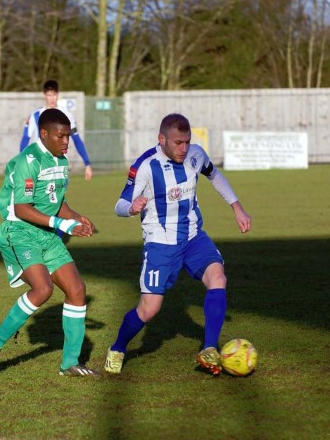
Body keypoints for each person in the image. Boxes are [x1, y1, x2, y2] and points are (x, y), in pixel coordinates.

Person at [104, 113, 251, 375]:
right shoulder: (146, 166)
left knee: (217, 276)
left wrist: (237, 207)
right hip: (161, 244)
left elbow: (214, 175)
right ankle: (117, 348)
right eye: (177, 143)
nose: (184, 149)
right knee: (149, 309)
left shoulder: (195, 155)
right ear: (162, 139)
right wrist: (132, 207)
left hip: (194, 236)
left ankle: (209, 349)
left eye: (187, 142)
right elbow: (118, 205)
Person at [0, 108, 100, 378]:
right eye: (61, 136)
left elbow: (57, 204)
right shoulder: (28, 160)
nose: (66, 142)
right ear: (44, 134)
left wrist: (78, 218)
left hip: (46, 235)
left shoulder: (60, 161)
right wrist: (62, 224)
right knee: (43, 288)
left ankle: (69, 364)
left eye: (68, 136)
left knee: (77, 290)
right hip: (19, 231)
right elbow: (22, 208)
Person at [19, 80, 93, 181]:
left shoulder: (67, 115)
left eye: (54, 94)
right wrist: (22, 162)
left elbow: (77, 140)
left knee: (59, 196)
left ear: (58, 94)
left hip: (60, 167)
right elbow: (25, 139)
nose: (52, 98)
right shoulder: (35, 115)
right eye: (49, 95)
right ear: (44, 95)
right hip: (40, 165)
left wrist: (87, 164)